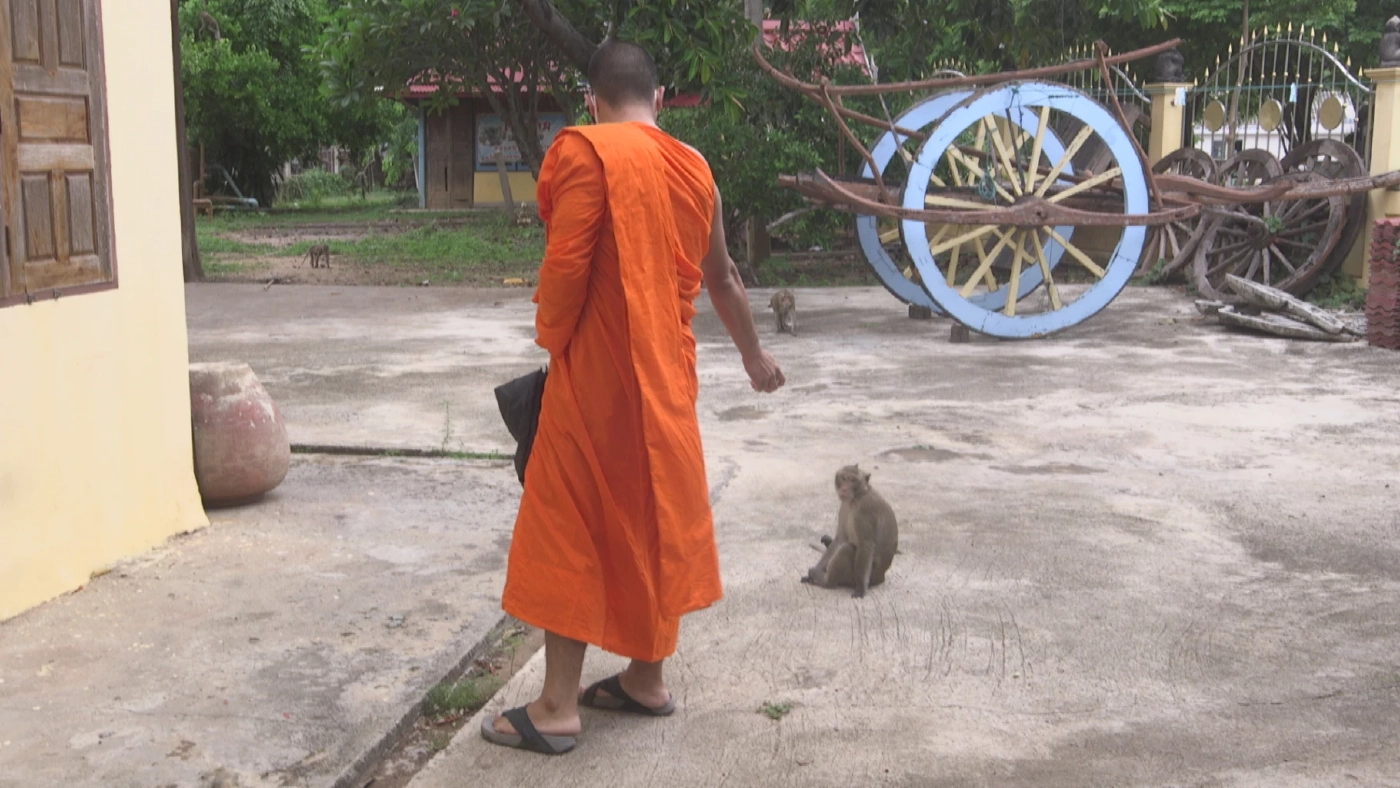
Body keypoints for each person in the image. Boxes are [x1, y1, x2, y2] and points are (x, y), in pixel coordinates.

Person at [480, 40, 785, 755]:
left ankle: (556, 708)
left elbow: (567, 269)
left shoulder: (583, 152)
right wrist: (753, 355)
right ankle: (645, 680)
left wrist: (552, 338)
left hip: (597, 385)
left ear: (593, 98)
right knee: (653, 519)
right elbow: (726, 278)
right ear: (659, 95)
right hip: (667, 383)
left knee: (569, 525)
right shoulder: (696, 168)